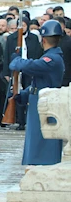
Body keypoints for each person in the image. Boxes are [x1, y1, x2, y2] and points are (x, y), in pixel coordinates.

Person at [10, 19, 65, 165]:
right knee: (35, 138)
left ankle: (44, 166)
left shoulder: (52, 58)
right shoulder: (51, 56)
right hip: (38, 101)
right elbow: (38, 83)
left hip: (46, 104)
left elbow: (32, 66)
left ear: (44, 39)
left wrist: (17, 61)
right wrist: (23, 94)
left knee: (43, 140)